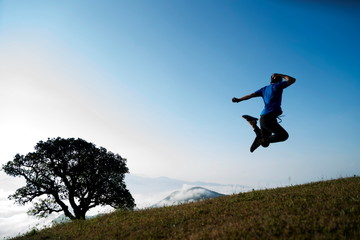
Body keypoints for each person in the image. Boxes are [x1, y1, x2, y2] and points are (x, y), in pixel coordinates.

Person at [232, 73, 296, 152]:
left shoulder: (264, 89)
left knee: (265, 144)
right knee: (283, 136)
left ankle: (254, 125)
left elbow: (251, 95)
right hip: (268, 119)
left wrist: (239, 99)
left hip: (264, 118)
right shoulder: (278, 85)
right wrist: (281, 75)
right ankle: (258, 134)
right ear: (279, 80)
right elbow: (292, 80)